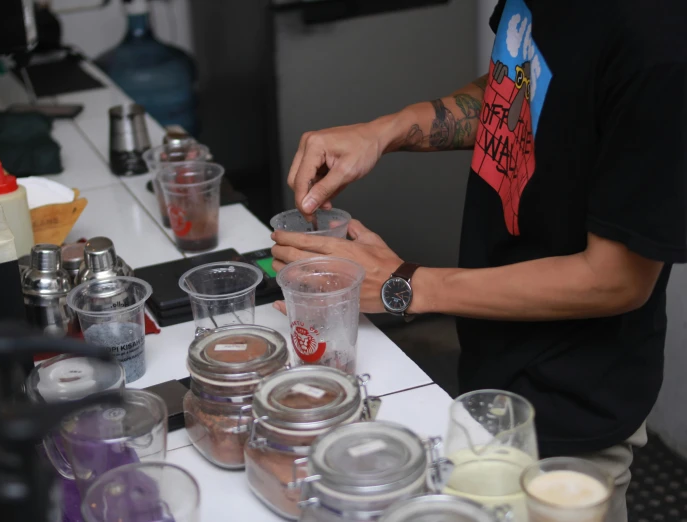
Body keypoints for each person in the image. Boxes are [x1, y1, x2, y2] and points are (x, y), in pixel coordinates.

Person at [270, 1, 687, 520]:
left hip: (572, 406)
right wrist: (386, 130)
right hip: (491, 371)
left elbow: (617, 279)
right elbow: (518, 89)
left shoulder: (660, 44)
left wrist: (404, 284)